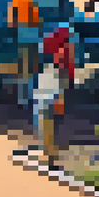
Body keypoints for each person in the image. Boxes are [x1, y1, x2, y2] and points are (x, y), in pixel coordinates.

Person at [35, 26, 76, 166]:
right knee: (49, 122)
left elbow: (64, 76)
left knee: (47, 121)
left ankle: (50, 155)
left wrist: (60, 97)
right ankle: (49, 153)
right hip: (53, 88)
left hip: (53, 90)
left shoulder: (63, 53)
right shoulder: (66, 51)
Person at [10, 0, 43, 107]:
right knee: (31, 69)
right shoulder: (31, 0)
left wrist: (15, 29)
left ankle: (21, 98)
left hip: (20, 34)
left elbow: (12, 18)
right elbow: (35, 19)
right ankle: (29, 98)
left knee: (21, 69)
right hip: (31, 35)